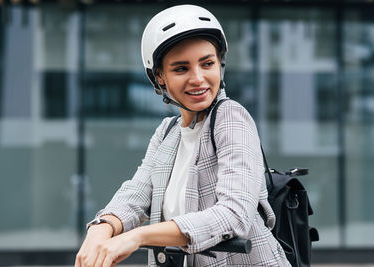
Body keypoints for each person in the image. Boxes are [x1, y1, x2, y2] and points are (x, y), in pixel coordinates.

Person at [75, 4, 290, 267]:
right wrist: (100, 228)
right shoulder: (168, 132)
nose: (198, 78)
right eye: (181, 69)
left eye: (207, 63)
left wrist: (138, 237)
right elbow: (137, 193)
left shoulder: (230, 117)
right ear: (160, 77)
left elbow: (234, 214)